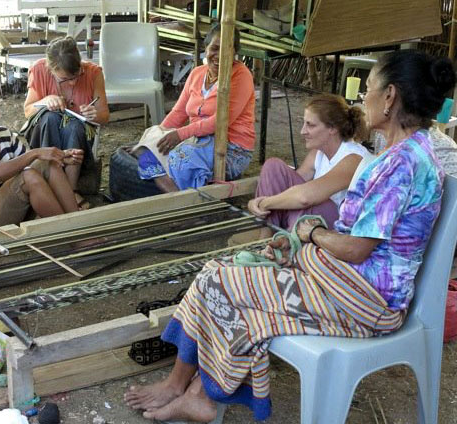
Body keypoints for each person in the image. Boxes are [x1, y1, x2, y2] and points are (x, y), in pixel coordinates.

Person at [124, 49, 455, 422]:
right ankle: (192, 390)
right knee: (225, 270)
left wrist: (312, 234)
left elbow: (357, 249)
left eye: (369, 88)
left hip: (363, 300)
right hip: (347, 282)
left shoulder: (402, 164)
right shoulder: (408, 153)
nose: (364, 97)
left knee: (219, 278)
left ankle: (193, 392)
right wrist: (298, 241)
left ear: (390, 96)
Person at [135, 24, 255, 192]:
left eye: (226, 50)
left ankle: (185, 201)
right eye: (214, 48)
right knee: (145, 151)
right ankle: (177, 194)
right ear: (206, 48)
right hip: (197, 140)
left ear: (235, 53)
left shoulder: (241, 76)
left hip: (231, 147)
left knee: (181, 159)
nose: (219, 56)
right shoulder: (197, 73)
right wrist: (155, 138)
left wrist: (179, 134)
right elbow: (178, 112)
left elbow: (220, 122)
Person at [0, 82, 81, 229]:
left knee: (47, 163)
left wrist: (60, 156)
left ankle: (77, 225)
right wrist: (35, 153)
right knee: (28, 177)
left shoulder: (3, 134)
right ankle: (71, 235)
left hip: (12, 207)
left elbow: (31, 165)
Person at [247, 93, 371, 232]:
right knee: (273, 167)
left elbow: (305, 197)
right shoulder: (318, 153)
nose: (302, 131)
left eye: (310, 125)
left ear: (333, 128)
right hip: (315, 217)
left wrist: (264, 203)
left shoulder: (354, 158)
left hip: (337, 228)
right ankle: (266, 240)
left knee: (308, 203)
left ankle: (285, 243)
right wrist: (261, 203)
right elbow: (288, 188)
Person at [23, 36, 110, 200]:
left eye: (76, 75)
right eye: (64, 79)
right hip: (44, 136)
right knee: (50, 118)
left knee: (75, 126)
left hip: (78, 139)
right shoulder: (39, 70)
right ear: (50, 69)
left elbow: (105, 116)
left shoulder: (93, 72)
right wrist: (44, 101)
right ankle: (49, 180)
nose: (72, 83)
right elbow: (28, 111)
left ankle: (70, 190)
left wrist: (95, 115)